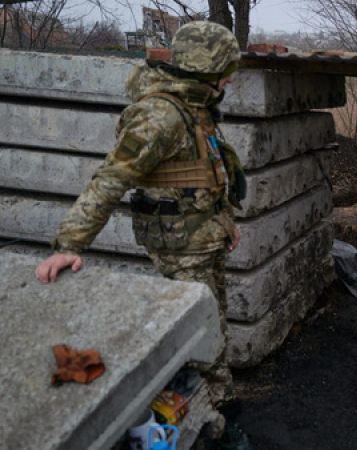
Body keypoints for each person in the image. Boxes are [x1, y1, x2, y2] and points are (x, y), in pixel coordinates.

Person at [34, 21, 251, 448]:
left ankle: (218, 408)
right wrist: (69, 245)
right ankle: (219, 428)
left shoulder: (196, 106)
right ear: (205, 67)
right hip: (181, 244)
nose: (230, 78)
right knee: (202, 334)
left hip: (205, 237)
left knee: (216, 326)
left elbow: (207, 172)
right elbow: (110, 179)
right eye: (226, 69)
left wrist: (226, 221)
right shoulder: (158, 116)